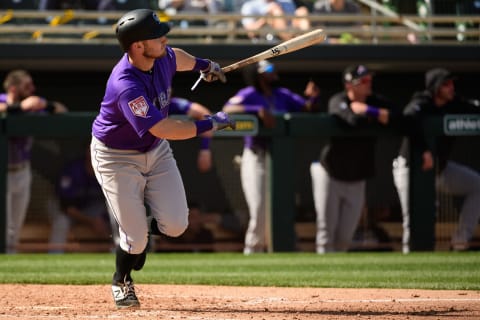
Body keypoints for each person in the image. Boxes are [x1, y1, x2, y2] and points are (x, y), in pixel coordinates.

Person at [89, 8, 235, 308]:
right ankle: (121, 279)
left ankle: (139, 235)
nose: (164, 38)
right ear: (138, 46)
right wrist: (210, 124)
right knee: (136, 240)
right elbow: (164, 127)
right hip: (116, 158)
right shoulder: (125, 84)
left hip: (154, 151)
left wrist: (204, 66)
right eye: (157, 36)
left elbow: (177, 56)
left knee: (177, 225)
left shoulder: (163, 55)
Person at [222, 60, 321, 254]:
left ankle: (277, 253)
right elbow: (227, 110)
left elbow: (307, 109)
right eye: (268, 69)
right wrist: (256, 110)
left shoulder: (282, 95)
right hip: (256, 156)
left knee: (280, 209)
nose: (273, 71)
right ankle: (253, 251)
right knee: (259, 209)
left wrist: (313, 99)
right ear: (258, 75)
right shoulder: (250, 94)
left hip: (279, 159)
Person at [310, 64, 401, 254]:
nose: (369, 84)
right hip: (330, 173)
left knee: (345, 237)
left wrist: (369, 111)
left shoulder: (373, 102)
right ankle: (319, 280)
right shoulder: (338, 100)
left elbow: (400, 118)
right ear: (350, 85)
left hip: (357, 175)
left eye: (370, 80)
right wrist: (375, 116)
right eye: (364, 81)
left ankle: (336, 280)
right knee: (326, 232)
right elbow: (352, 121)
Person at [393, 67, 480, 253]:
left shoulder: (454, 103)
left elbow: (473, 108)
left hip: (440, 169)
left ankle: (460, 240)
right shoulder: (421, 101)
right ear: (436, 87)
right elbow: (407, 120)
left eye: (451, 83)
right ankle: (410, 261)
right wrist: (424, 149)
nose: (451, 88)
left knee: (477, 185)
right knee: (416, 219)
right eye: (446, 84)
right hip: (411, 169)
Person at [0, 69, 68, 254]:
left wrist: (44, 104)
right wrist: (20, 108)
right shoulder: (3, 100)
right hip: (2, 172)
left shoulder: (31, 108)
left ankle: (9, 263)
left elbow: (63, 110)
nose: (32, 89)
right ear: (13, 89)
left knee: (15, 225)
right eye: (26, 86)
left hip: (22, 170)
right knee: (3, 225)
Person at [48, 148, 118, 253]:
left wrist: (102, 220)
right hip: (65, 209)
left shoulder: (108, 172)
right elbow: (67, 207)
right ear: (88, 152)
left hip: (90, 209)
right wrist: (92, 221)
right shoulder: (73, 170)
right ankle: (54, 257)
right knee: (61, 222)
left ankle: (119, 257)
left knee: (115, 219)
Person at [169, 96, 214, 172]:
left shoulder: (172, 103)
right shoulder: (145, 102)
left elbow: (205, 115)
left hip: (168, 154)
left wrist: (205, 148)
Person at [240, 0, 310, 42]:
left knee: (302, 10)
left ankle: (306, 40)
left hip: (292, 33)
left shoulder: (287, 2)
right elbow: (251, 33)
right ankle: (292, 40)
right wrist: (266, 18)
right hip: (266, 40)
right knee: (276, 11)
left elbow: (294, 23)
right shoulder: (250, 6)